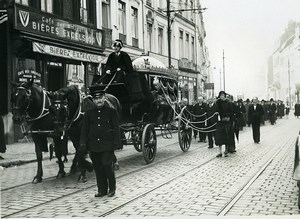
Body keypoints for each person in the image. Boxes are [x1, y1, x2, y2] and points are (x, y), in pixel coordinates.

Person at [80, 89, 121, 197]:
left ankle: (112, 188)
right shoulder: (88, 114)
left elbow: (116, 128)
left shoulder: (112, 112)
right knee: (98, 167)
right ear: (93, 100)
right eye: (96, 98)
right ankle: (102, 190)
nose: (98, 100)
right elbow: (85, 130)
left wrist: (117, 143)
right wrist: (83, 143)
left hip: (108, 144)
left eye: (100, 98)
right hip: (93, 145)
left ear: (104, 98)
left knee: (107, 164)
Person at [215, 91, 234, 157]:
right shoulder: (218, 102)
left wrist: (226, 116)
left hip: (227, 121)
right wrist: (217, 113)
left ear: (224, 96)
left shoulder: (228, 103)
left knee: (226, 136)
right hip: (220, 121)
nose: (221, 97)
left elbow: (231, 112)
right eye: (220, 95)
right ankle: (220, 152)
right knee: (219, 137)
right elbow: (216, 110)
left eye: (222, 95)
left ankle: (226, 150)